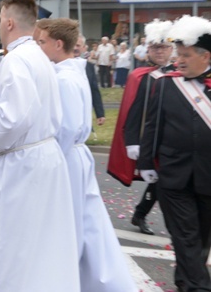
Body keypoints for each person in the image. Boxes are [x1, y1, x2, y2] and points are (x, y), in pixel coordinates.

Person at [0, 0, 79, 291]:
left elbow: (13, 116)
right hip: (41, 159)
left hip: (22, 167)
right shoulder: (39, 56)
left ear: (9, 22)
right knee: (38, 247)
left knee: (11, 246)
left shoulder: (18, 60)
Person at [36, 18, 136, 291]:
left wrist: (48, 162)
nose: (38, 46)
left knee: (73, 224)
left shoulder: (65, 78)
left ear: (58, 44)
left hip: (67, 158)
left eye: (42, 42)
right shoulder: (70, 72)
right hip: (74, 156)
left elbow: (66, 128)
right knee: (83, 221)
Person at [137, 15, 211, 292]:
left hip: (208, 176)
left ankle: (186, 282)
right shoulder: (166, 84)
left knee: (201, 238)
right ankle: (200, 287)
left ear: (205, 57)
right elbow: (152, 126)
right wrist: (146, 162)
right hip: (173, 175)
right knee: (186, 235)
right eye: (178, 54)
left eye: (185, 55)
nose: (178, 59)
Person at [108, 19, 175, 236]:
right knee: (160, 179)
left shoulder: (179, 74)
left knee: (166, 179)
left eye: (164, 47)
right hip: (148, 139)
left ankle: (140, 214)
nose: (159, 51)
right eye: (155, 47)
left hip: (172, 137)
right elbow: (132, 112)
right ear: (148, 50)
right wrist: (132, 141)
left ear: (171, 49)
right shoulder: (140, 76)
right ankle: (144, 215)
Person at [75, 35, 105, 126]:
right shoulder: (59, 65)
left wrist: (100, 114)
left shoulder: (89, 67)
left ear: (84, 48)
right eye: (72, 45)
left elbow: (94, 90)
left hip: (84, 111)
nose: (74, 48)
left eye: (78, 45)